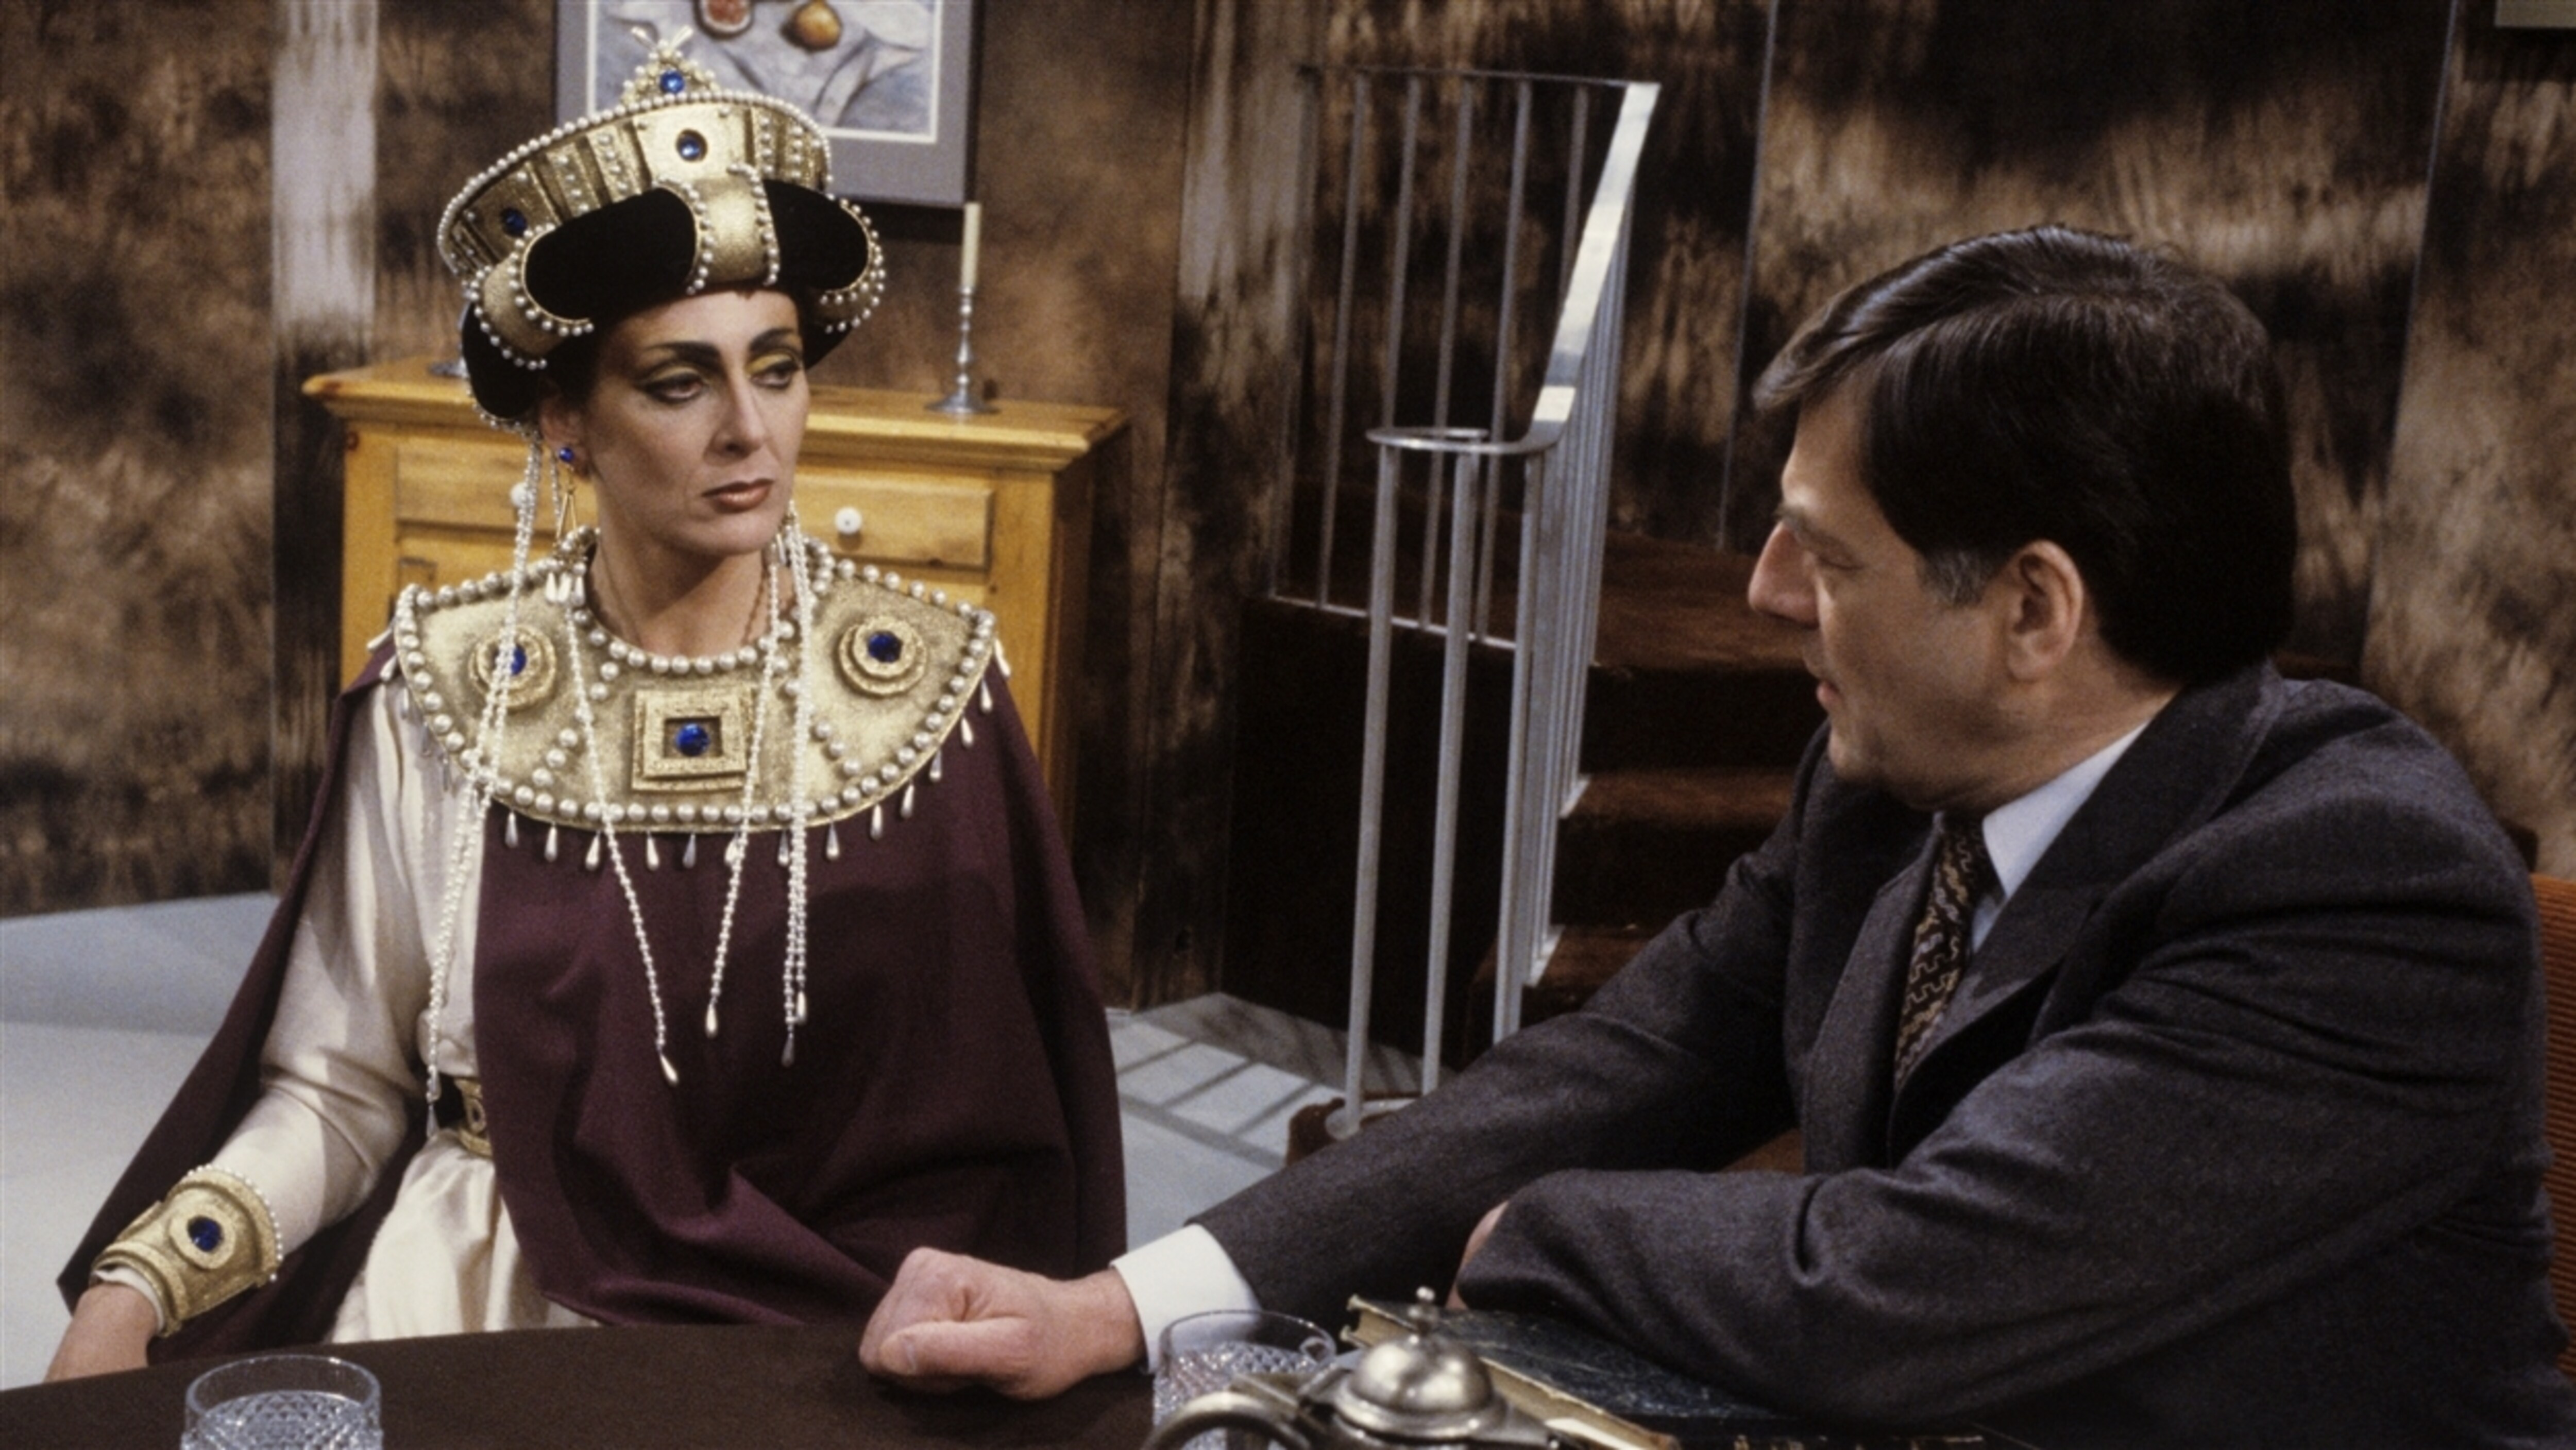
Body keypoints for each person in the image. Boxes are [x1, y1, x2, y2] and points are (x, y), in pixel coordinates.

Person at [856, 226, 2576, 1444]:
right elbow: (1632, 1060)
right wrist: (1122, 1306)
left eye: (1825, 554)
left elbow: (1891, 1293)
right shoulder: (1884, 786)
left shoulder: (2361, 883)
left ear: (2034, 611)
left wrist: (1531, 1230)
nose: (1762, 596)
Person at [49, 36, 1123, 1378]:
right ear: (567, 421)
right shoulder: (442, 694)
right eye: (681, 382)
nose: (750, 430)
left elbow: (1002, 1144)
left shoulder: (931, 693)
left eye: (778, 366)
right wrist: (143, 1283)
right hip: (485, 1289)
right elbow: (338, 1088)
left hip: (827, 1317)